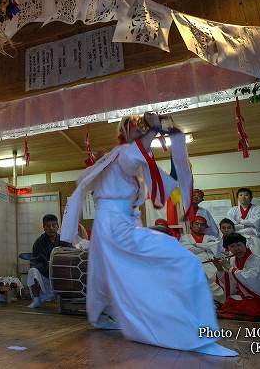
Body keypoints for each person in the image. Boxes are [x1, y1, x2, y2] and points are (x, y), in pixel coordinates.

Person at [60, 112, 236, 357]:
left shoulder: (114, 157)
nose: (140, 132)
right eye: (136, 128)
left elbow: (145, 163)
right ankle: (192, 333)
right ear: (126, 134)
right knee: (182, 261)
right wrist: (154, 129)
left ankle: (110, 316)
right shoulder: (123, 153)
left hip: (111, 226)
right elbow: (139, 150)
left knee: (114, 276)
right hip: (116, 226)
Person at [27, 214, 73, 308]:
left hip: (61, 272)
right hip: (45, 272)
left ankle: (67, 299)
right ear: (44, 227)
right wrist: (49, 266)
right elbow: (35, 261)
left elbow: (71, 253)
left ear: (58, 226)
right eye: (48, 226)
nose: (51, 228)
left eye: (53, 225)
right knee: (33, 271)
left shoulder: (64, 240)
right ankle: (36, 300)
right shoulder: (39, 242)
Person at [179, 216, 224, 303]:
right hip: (193, 266)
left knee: (217, 278)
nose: (199, 226)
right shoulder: (185, 238)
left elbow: (216, 249)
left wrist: (196, 245)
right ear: (191, 225)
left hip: (211, 265)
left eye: (202, 224)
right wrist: (207, 247)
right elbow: (188, 250)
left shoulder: (211, 237)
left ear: (205, 226)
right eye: (197, 224)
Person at [226, 188, 260, 258]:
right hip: (238, 241)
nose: (243, 197)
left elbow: (257, 223)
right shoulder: (232, 210)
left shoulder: (258, 208)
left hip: (254, 239)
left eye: (246, 195)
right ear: (238, 197)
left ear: (251, 198)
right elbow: (231, 225)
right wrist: (247, 225)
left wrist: (240, 223)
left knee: (259, 259)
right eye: (240, 195)